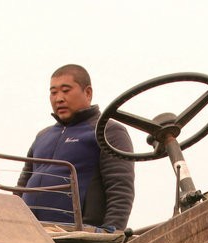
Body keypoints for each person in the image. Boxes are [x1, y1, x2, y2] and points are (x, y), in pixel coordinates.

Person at [17, 64, 135, 233]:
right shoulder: (42, 136)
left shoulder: (107, 131)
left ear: (88, 93)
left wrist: (112, 233)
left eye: (66, 90)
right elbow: (21, 186)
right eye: (53, 92)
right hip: (33, 234)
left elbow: (120, 188)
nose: (59, 98)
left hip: (78, 234)